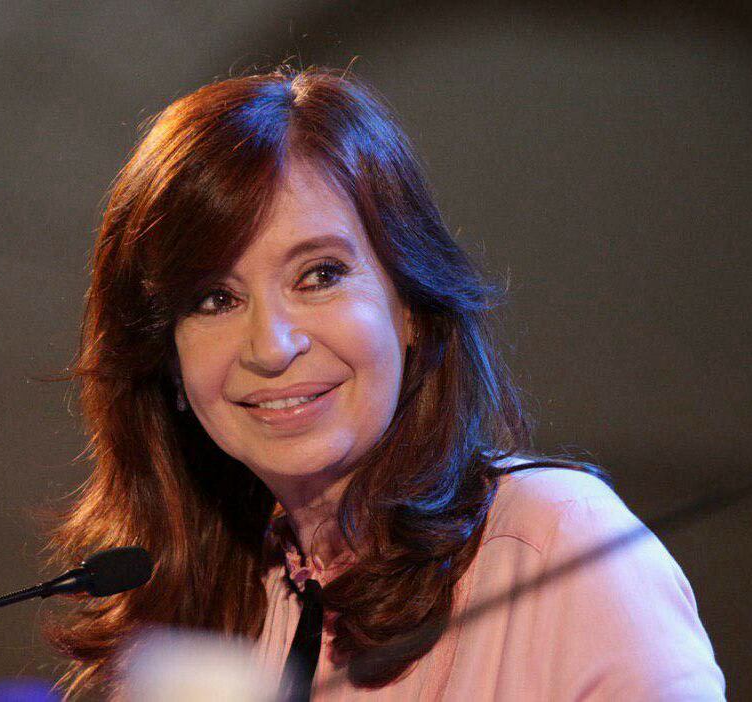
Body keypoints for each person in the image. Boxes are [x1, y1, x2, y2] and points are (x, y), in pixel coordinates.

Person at [42, 67, 725, 700]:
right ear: (166, 360)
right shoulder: (199, 605)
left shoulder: (560, 540)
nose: (272, 347)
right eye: (214, 299)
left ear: (409, 306)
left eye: (319, 276)